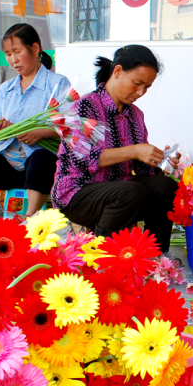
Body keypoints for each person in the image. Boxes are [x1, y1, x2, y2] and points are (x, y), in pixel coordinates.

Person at [52, 45, 178, 254]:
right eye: (137, 84)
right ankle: (105, 256)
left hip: (120, 191)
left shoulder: (135, 115)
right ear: (117, 72)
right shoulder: (83, 107)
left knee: (165, 186)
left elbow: (144, 171)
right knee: (130, 191)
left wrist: (161, 160)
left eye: (146, 87)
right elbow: (83, 159)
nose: (140, 92)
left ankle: (155, 256)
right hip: (77, 193)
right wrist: (135, 151)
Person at [0, 24, 69, 218]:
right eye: (8, 54)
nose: (13, 60)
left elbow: (70, 125)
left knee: (40, 159)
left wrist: (42, 133)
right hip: (9, 163)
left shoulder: (57, 83)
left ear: (35, 49)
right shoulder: (6, 88)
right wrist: (1, 129)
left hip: (41, 166)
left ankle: (29, 216)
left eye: (17, 52)